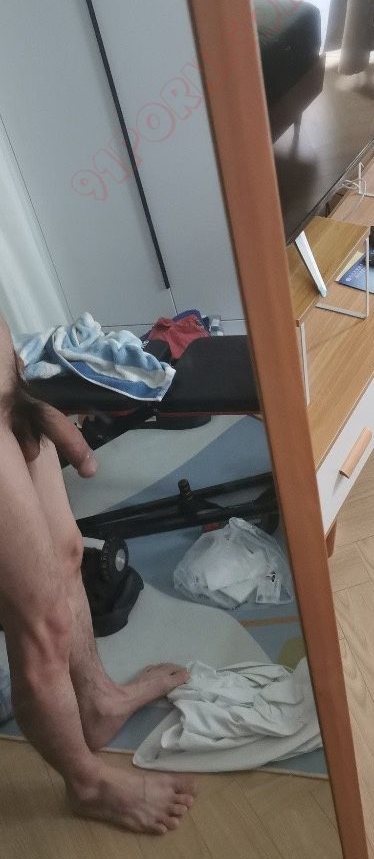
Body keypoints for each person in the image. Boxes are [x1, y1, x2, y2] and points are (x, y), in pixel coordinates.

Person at [0, 316, 196, 834]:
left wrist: (21, 392)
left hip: (7, 395)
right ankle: (87, 785)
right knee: (40, 623)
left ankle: (97, 702)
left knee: (67, 555)